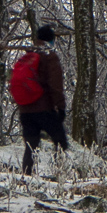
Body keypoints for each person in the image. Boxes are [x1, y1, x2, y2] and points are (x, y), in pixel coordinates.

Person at [20, 25, 69, 173]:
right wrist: (60, 107)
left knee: (30, 146)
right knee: (60, 141)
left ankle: (26, 178)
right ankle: (59, 175)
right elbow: (55, 85)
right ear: (51, 39)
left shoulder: (27, 56)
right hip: (44, 109)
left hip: (25, 110)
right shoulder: (49, 56)